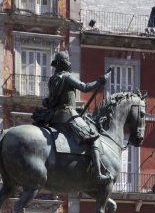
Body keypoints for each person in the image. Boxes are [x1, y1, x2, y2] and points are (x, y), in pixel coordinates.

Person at [33, 50, 111, 185]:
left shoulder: (53, 79)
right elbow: (85, 87)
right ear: (65, 64)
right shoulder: (67, 77)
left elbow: (51, 100)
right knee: (93, 137)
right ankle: (98, 174)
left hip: (54, 117)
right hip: (67, 115)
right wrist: (100, 81)